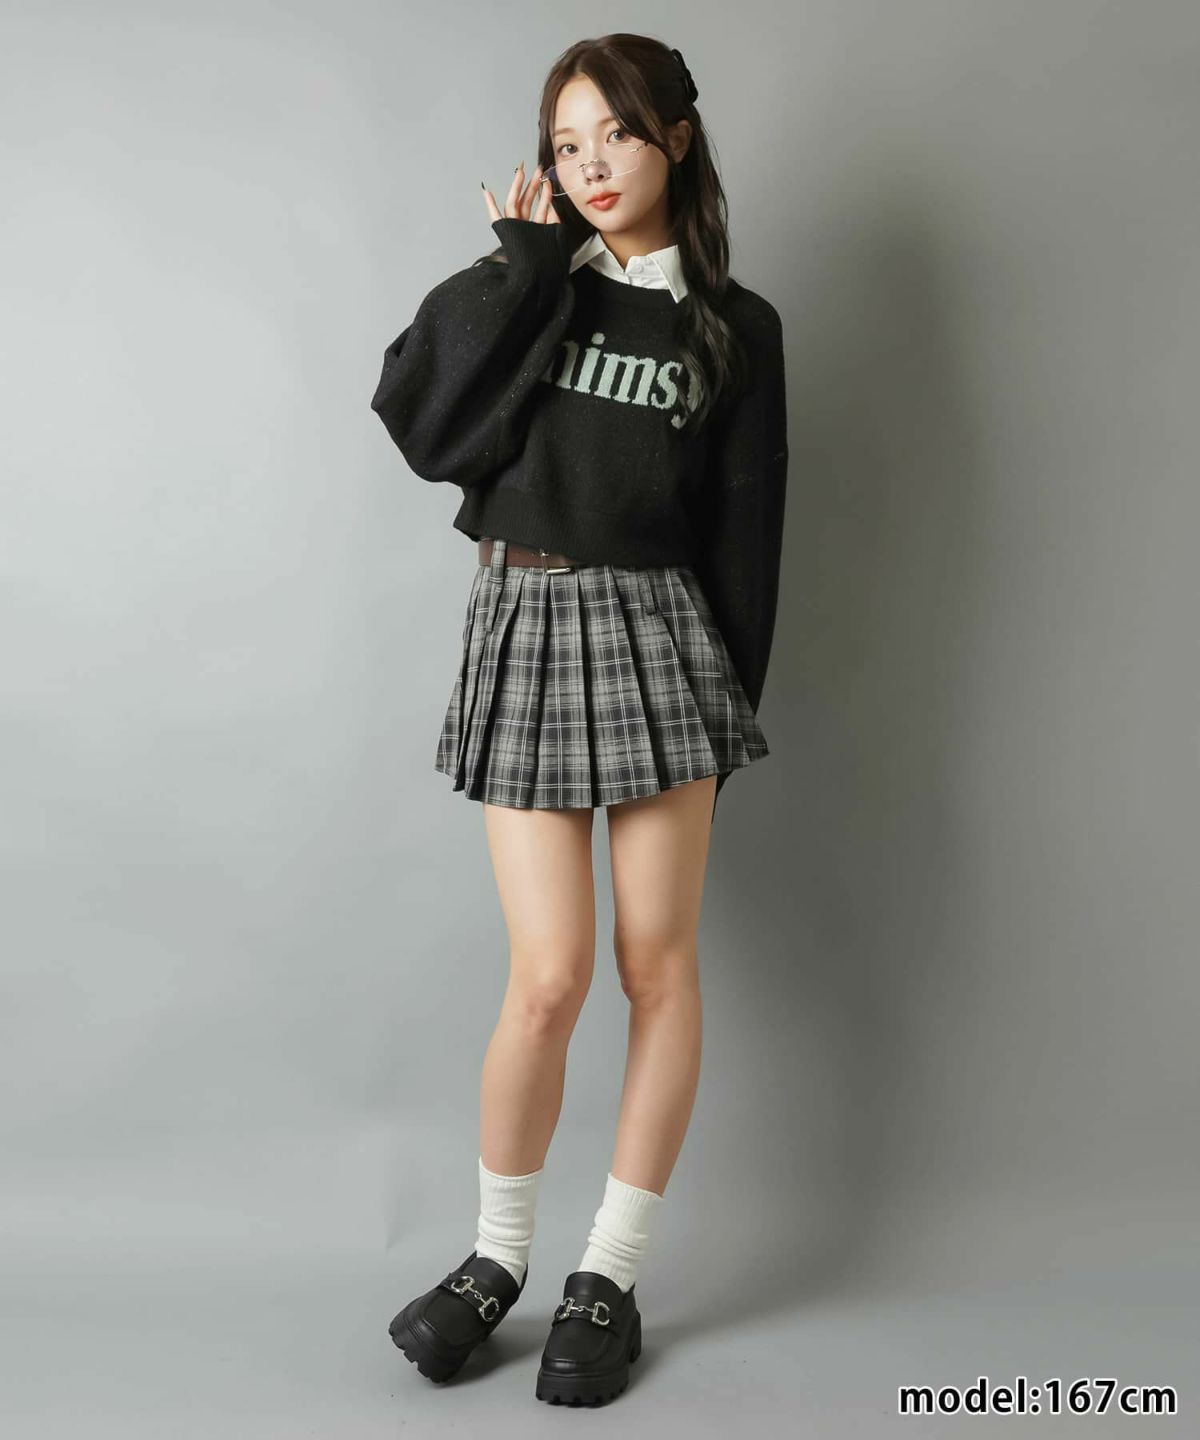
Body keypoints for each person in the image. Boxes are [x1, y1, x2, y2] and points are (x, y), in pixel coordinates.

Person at [369, 33, 788, 1407]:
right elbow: (423, 421)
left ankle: (608, 1273)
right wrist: (520, 265)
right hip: (527, 623)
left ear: (677, 138)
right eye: (566, 142)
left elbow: (746, 537)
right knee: (548, 978)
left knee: (655, 967)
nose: (592, 163)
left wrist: (726, 715)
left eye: (616, 132)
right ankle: (497, 1259)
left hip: (665, 636)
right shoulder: (535, 286)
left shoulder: (737, 327)